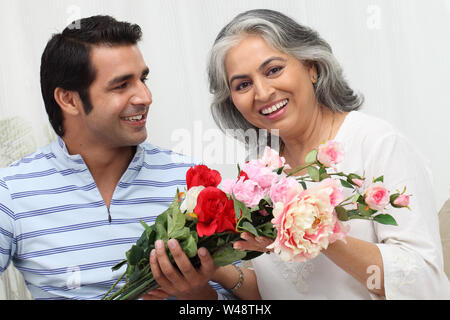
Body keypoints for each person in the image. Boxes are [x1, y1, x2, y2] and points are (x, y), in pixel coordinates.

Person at [206, 9, 450, 299]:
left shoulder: (377, 144)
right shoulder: (259, 171)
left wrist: (319, 234)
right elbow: (277, 288)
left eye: (273, 70)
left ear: (312, 66)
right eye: (243, 85)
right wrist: (210, 267)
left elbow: (425, 284)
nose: (262, 92)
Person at [0, 15, 222, 300]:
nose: (145, 96)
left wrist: (197, 293)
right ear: (68, 99)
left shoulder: (190, 179)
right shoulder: (13, 191)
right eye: (121, 85)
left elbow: (238, 300)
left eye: (143, 79)